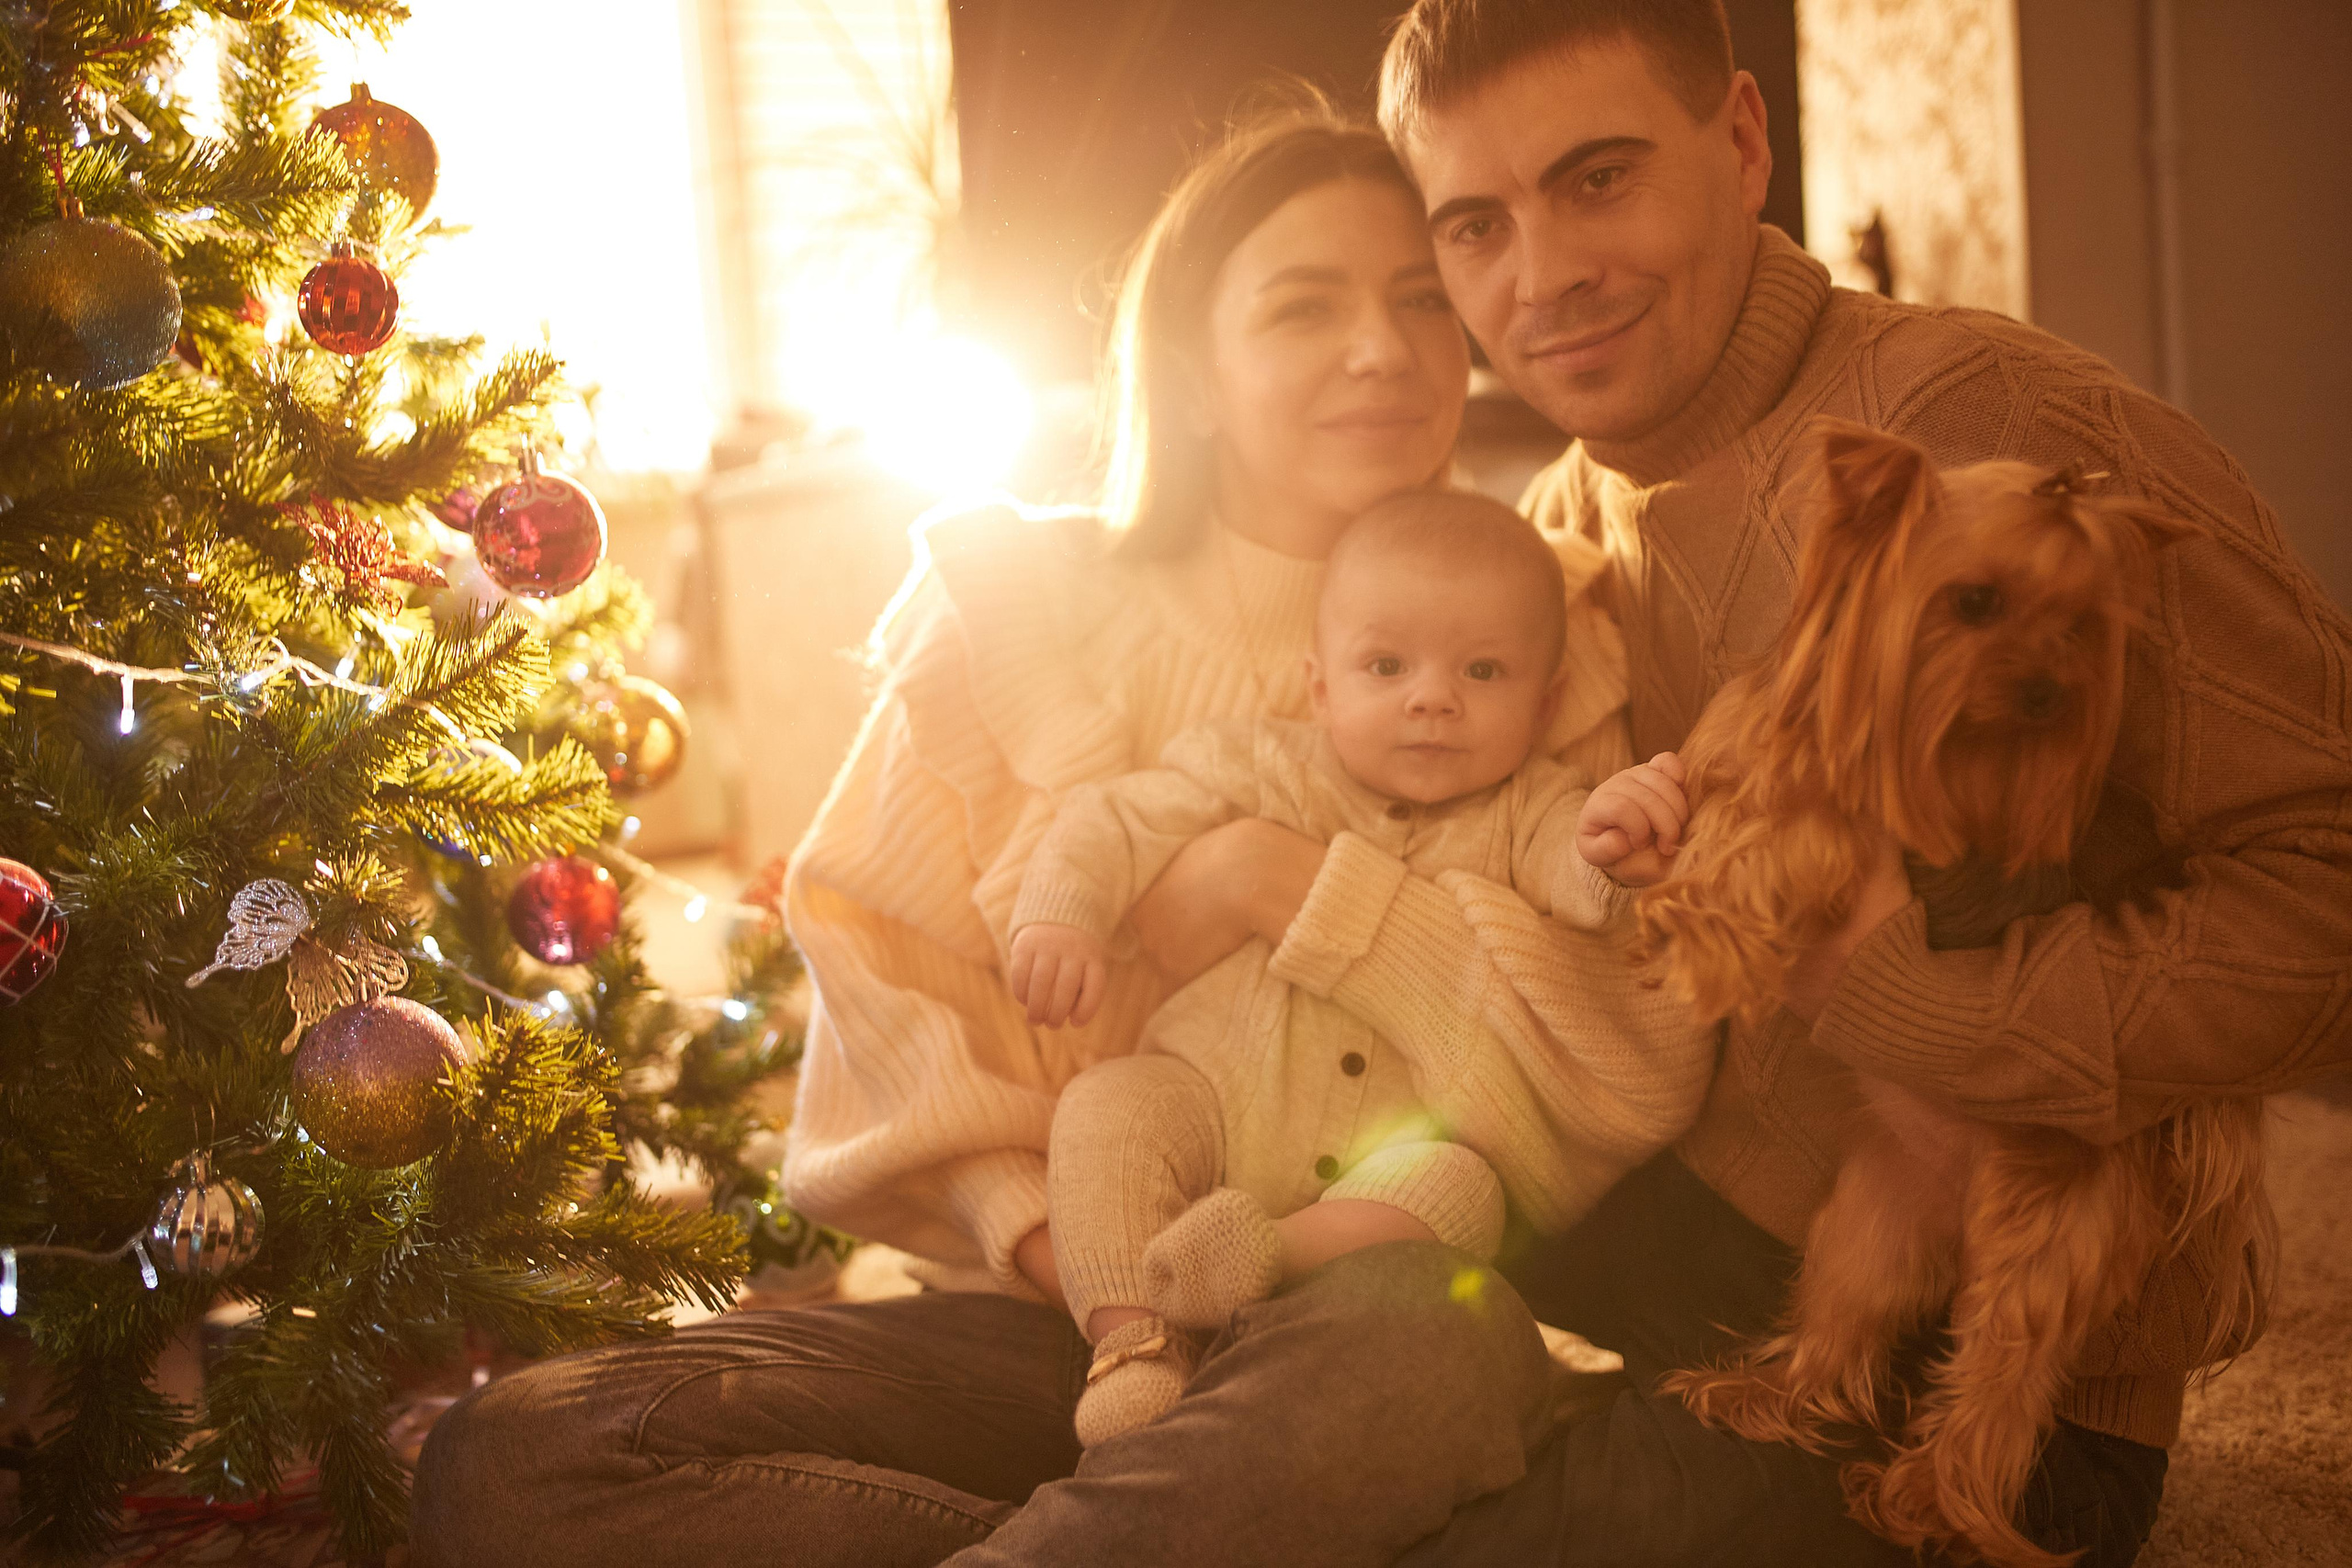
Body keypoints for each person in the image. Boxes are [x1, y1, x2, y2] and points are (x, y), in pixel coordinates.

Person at [411, 107, 1668, 1568]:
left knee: (1428, 1342)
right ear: (1189, 370)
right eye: (1304, 306)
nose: (1383, 349)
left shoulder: (1545, 634)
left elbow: (1603, 1074)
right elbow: (887, 990)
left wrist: (1287, 886)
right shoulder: (1008, 613)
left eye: (1418, 300)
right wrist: (1100, 1271)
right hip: (1070, 1323)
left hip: (1368, 1312)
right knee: (520, 1454)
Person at [1363, 1, 2352, 1564]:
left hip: (1991, 1367)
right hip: (1665, 1225)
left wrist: (1924, 1003)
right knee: (1234, 1360)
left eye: (1600, 179)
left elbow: (2331, 875)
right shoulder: (1556, 516)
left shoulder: (2021, 432)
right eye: (1477, 223)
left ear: (1744, 141)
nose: (1541, 277)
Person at [1007, 491, 1708, 1444]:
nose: (1432, 698)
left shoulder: (1533, 806)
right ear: (1321, 687)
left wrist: (1616, 840)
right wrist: (1062, 913)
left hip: (1391, 1157)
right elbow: (1116, 819)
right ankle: (1134, 1343)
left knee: (1464, 1194)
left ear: (1545, 706)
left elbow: (1579, 880)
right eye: (1386, 665)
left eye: (1482, 670)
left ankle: (1262, 1260)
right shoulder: (1262, 764)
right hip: (1216, 1098)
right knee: (1106, 1106)